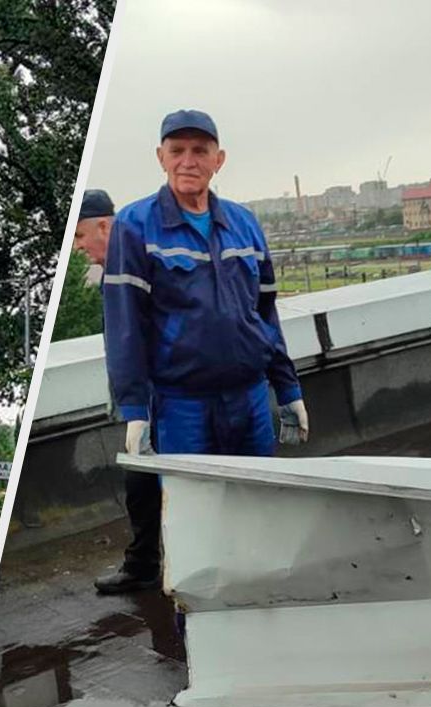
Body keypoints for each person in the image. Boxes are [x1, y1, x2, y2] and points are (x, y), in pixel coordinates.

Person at [101, 109, 309, 461]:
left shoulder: (243, 223)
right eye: (177, 151)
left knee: (256, 491)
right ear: (161, 158)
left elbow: (265, 315)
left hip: (251, 397)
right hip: (182, 406)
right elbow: (124, 327)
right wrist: (135, 410)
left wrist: (288, 388)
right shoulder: (135, 225)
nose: (188, 162)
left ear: (218, 160)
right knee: (195, 495)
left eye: (200, 151)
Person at [78, 188, 162, 595]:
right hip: (144, 400)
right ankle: (145, 563)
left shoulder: (135, 267)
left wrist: (139, 408)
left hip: (158, 400)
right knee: (142, 484)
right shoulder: (116, 269)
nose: (78, 248)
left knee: (149, 484)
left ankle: (145, 566)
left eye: (80, 237)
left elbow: (138, 339)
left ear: (104, 226)